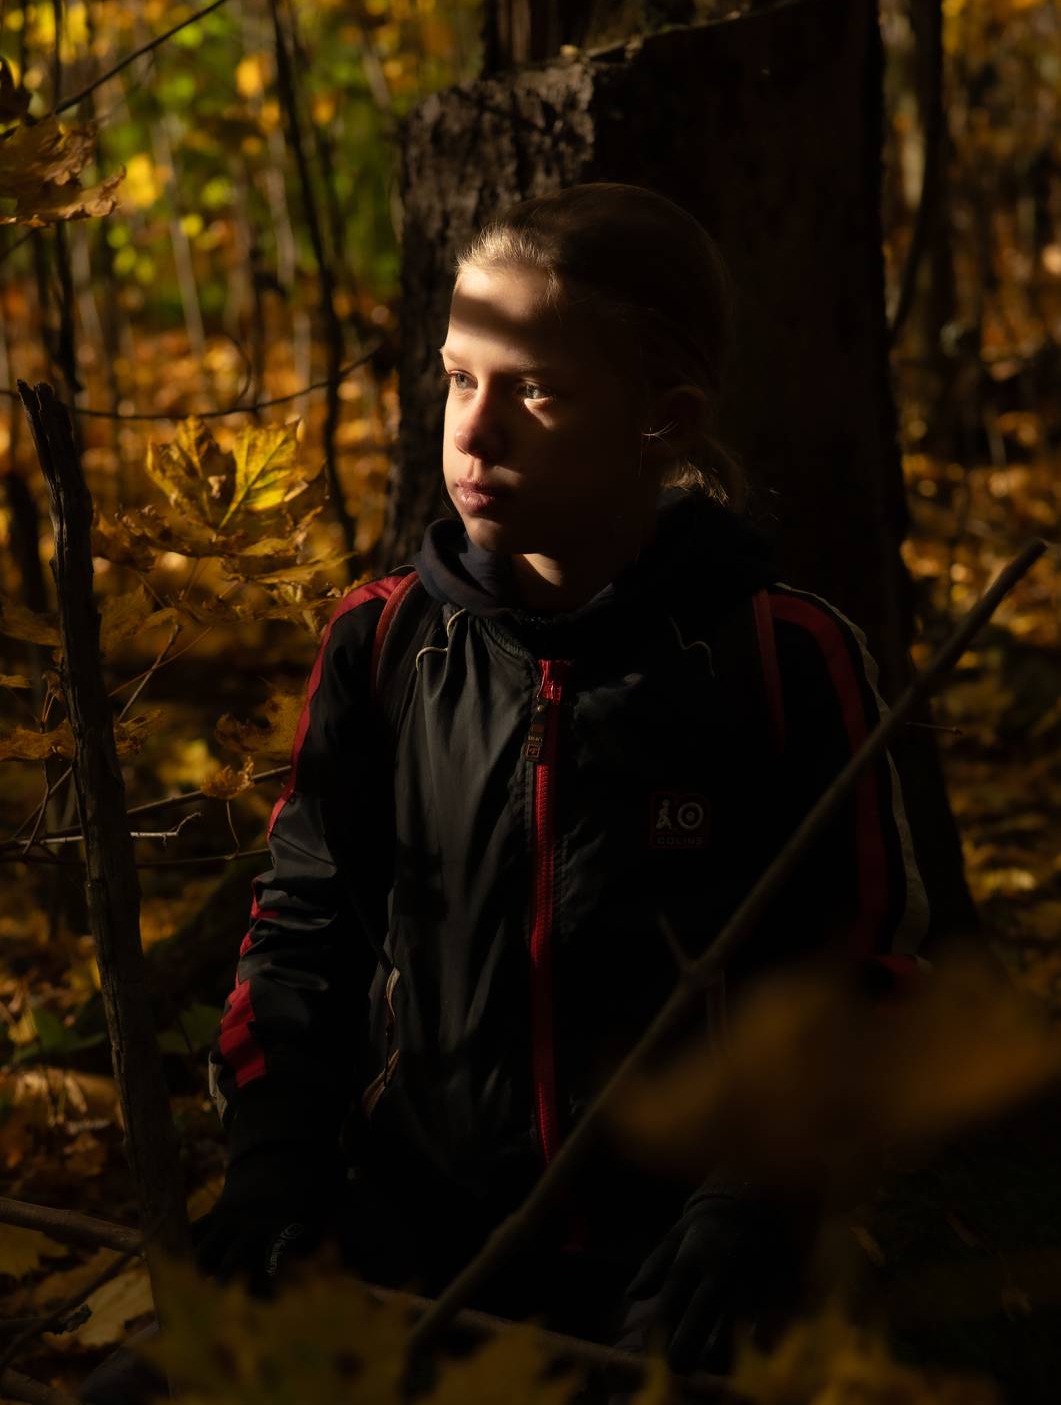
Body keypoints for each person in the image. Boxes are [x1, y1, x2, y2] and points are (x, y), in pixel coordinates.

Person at [192, 182, 931, 1385]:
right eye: (457, 378)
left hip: (681, 1268)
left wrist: (752, 1202)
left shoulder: (780, 657)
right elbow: (301, 933)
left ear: (664, 421)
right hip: (408, 1243)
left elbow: (858, 967)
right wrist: (274, 1168)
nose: (473, 433)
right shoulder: (381, 645)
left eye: (534, 391)